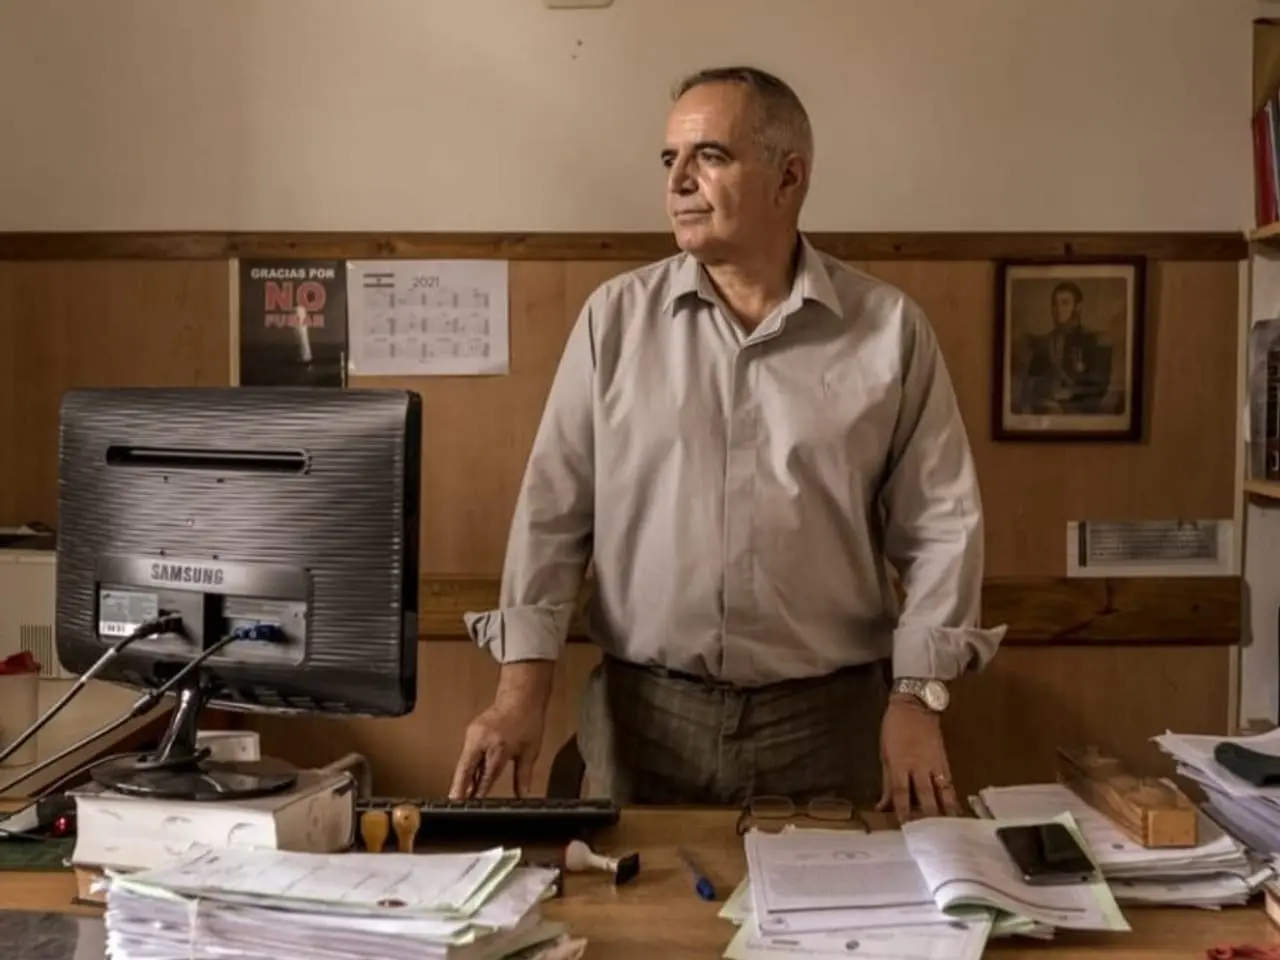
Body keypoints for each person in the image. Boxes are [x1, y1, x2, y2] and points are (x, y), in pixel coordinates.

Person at [451, 66, 1005, 824]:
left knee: (829, 939)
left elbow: (943, 529)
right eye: (668, 160)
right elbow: (553, 513)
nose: (678, 180)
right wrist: (519, 694)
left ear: (789, 177)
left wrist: (918, 697)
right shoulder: (613, 322)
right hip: (643, 716)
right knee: (635, 935)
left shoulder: (888, 332)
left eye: (708, 155)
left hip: (827, 721)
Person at [1015, 281, 1114, 415]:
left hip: (1082, 414)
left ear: (1078, 307)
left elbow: (1100, 385)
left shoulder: (1095, 341)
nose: (1058, 309)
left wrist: (1070, 394)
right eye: (1055, 304)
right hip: (1047, 413)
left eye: (1065, 303)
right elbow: (1032, 383)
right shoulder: (1043, 344)